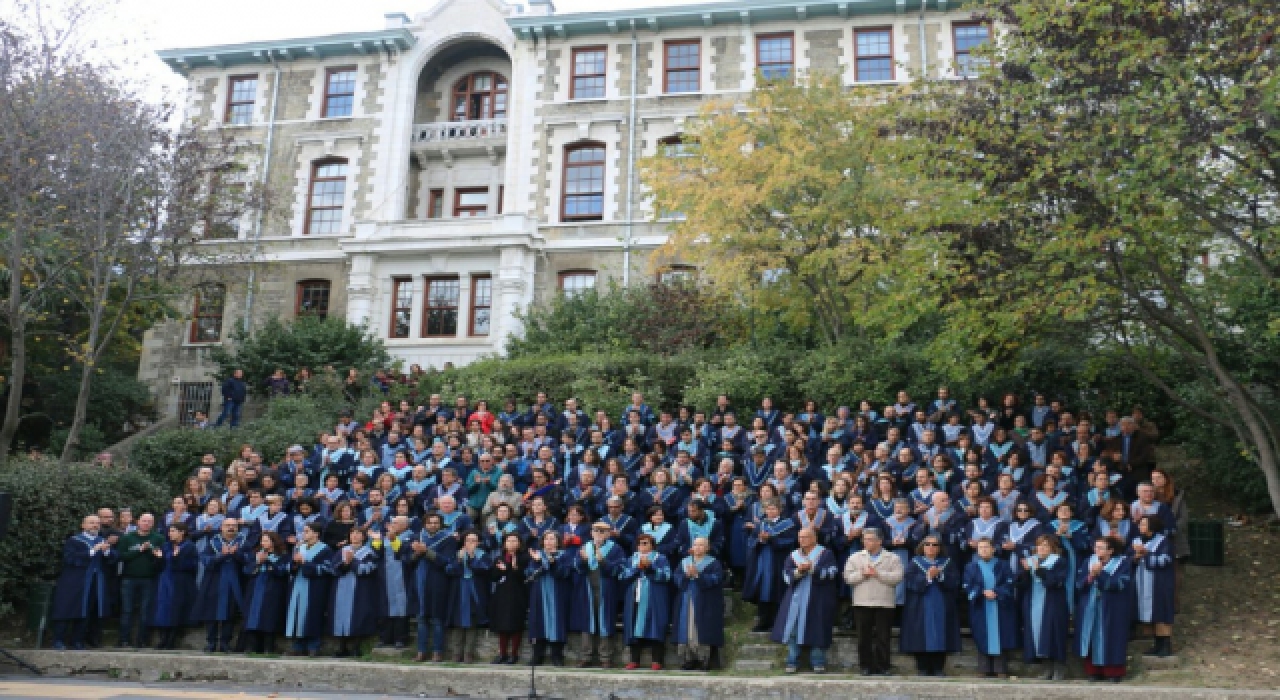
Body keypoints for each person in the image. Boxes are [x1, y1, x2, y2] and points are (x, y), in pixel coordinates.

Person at [771, 527, 840, 674]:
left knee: (817, 628)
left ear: (814, 538)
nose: (802, 540)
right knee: (793, 630)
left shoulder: (825, 554)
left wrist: (813, 569)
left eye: (806, 537)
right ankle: (792, 661)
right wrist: (798, 571)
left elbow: (832, 572)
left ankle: (818, 661)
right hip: (796, 598)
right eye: (800, 537)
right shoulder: (793, 555)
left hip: (818, 597)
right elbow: (785, 574)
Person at [51, 514, 117, 651]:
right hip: (74, 581)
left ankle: (78, 641)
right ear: (83, 525)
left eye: (97, 523)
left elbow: (114, 559)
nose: (95, 525)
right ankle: (58, 640)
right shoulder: (74, 541)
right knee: (66, 609)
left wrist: (107, 552)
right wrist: (93, 551)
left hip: (94, 581)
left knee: (86, 611)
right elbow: (70, 559)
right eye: (91, 523)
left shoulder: (101, 540)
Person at [843, 528, 903, 676]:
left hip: (884, 602)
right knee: (864, 637)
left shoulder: (893, 558)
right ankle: (865, 666)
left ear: (879, 541)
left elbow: (897, 577)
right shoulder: (855, 557)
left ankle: (883, 666)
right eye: (865, 539)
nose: (866, 542)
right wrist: (863, 574)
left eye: (870, 539)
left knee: (883, 637)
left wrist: (878, 574)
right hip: (862, 602)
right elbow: (848, 578)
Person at [900, 534, 961, 677]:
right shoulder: (915, 562)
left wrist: (940, 576)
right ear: (923, 546)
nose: (931, 547)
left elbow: (955, 581)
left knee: (941, 634)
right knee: (920, 635)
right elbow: (909, 582)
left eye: (935, 545)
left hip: (942, 604)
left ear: (939, 548)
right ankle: (922, 668)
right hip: (920, 605)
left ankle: (938, 668)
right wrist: (927, 577)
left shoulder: (947, 562)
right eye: (928, 544)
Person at [1077, 535, 1134, 682]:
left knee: (1112, 637)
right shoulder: (1089, 561)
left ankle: (1113, 672)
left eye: (1101, 548)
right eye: (1096, 547)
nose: (1097, 550)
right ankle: (1093, 671)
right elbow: (1079, 583)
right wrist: (1090, 577)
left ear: (1111, 550)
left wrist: (1100, 574)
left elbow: (1121, 584)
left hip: (1113, 607)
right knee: (1090, 635)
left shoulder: (1122, 563)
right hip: (1091, 606)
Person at [571, 522, 626, 668]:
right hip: (587, 589)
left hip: (607, 590)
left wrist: (603, 562)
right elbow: (576, 567)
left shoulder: (615, 549)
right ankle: (585, 656)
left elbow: (620, 568)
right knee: (587, 622)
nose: (599, 534)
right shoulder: (585, 547)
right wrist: (583, 561)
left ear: (608, 534)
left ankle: (605, 657)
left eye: (602, 532)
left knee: (605, 622)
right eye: (596, 531)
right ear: (591, 533)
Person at [963, 538, 1018, 678]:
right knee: (982, 635)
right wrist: (981, 592)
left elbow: (1009, 583)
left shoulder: (1003, 565)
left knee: (1000, 635)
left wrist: (997, 592)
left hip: (1000, 605)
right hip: (981, 605)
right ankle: (983, 668)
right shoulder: (971, 566)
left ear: (993, 549)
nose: (983, 549)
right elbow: (967, 585)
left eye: (986, 547)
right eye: (980, 547)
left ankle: (1001, 669)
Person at [1018, 534, 1071, 680]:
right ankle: (1046, 668)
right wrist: (1025, 572)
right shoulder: (1031, 561)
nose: (1041, 548)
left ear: (1052, 548)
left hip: (1053, 603)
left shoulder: (1059, 562)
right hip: (1034, 602)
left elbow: (1055, 582)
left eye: (1046, 545)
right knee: (1037, 635)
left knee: (1054, 634)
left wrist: (1040, 570)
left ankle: (1059, 668)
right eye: (1039, 545)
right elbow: (1021, 585)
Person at [191, 518, 247, 653]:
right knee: (211, 612)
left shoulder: (243, 541)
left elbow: (249, 559)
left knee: (230, 613)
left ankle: (224, 643)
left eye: (234, 525)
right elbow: (205, 560)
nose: (231, 528)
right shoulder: (213, 541)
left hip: (235, 581)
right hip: (214, 580)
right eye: (228, 525)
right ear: (221, 527)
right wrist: (222, 555)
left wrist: (236, 554)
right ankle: (211, 642)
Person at [742, 499, 798, 632]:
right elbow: (751, 541)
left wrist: (772, 540)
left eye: (773, 509)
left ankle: (778, 622)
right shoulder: (761, 524)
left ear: (780, 510)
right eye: (768, 509)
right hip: (762, 563)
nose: (770, 512)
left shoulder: (788, 524)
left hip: (780, 561)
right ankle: (764, 621)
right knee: (763, 591)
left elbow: (790, 542)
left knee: (778, 590)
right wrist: (760, 540)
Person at [620, 533, 672, 671]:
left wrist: (650, 568)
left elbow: (666, 576)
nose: (642, 546)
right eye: (640, 543)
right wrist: (637, 568)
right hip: (635, 596)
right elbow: (623, 575)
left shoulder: (660, 558)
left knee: (656, 626)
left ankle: (656, 660)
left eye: (646, 543)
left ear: (652, 545)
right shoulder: (632, 559)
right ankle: (634, 660)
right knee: (634, 626)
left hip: (654, 598)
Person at [673, 536, 725, 671]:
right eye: (696, 545)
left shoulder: (713, 563)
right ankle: (687, 660)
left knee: (700, 628)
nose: (698, 547)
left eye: (701, 545)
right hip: (686, 599)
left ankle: (704, 660)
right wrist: (686, 576)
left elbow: (717, 579)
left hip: (704, 601)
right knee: (686, 628)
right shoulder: (684, 562)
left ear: (707, 548)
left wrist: (698, 575)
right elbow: (676, 579)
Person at [412, 513, 457, 662]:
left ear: (441, 524)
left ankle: (437, 652)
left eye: (436, 522)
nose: (433, 525)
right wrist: (416, 553)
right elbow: (407, 560)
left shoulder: (448, 539)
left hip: (438, 582)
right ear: (424, 524)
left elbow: (446, 561)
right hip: (420, 581)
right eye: (430, 522)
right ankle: (421, 651)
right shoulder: (417, 538)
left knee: (437, 619)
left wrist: (427, 552)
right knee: (421, 618)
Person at [284, 522, 334, 657]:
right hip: (298, 584)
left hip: (314, 588)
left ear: (316, 534)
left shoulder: (325, 549)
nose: (303, 534)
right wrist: (294, 564)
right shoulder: (300, 548)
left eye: (307, 531)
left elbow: (327, 569)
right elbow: (290, 567)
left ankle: (313, 645)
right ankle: (298, 645)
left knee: (312, 615)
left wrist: (305, 563)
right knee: (298, 614)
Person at [117, 512, 165, 649]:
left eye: (150, 521)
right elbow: (122, 556)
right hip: (129, 578)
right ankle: (124, 640)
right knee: (127, 610)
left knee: (146, 610)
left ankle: (142, 640)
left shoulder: (158, 538)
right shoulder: (127, 538)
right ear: (138, 522)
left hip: (149, 579)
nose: (146, 523)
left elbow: (161, 558)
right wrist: (140, 549)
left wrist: (156, 555)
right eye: (144, 521)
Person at [330, 526, 380, 657]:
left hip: (360, 590)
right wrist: (345, 564)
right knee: (340, 617)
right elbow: (333, 569)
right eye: (352, 533)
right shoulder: (342, 551)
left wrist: (353, 562)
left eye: (358, 533)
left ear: (363, 537)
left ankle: (356, 648)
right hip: (341, 589)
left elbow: (367, 569)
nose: (355, 536)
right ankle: (342, 647)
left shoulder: (369, 552)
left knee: (358, 617)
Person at [526, 530, 573, 667]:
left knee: (557, 622)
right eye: (546, 539)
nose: (549, 542)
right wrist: (539, 562)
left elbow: (564, 573)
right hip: (539, 593)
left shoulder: (564, 556)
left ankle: (557, 655)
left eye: (552, 539)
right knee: (538, 622)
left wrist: (551, 563)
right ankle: (537, 655)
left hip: (557, 593)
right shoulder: (536, 556)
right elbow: (529, 573)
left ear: (558, 542)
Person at [150, 523, 199, 650]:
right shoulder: (166, 546)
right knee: (162, 610)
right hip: (164, 581)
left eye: (173, 531)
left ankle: (171, 640)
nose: (170, 533)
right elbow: (157, 566)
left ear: (182, 532)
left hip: (180, 582)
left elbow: (192, 566)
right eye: (169, 531)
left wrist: (177, 558)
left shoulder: (189, 547)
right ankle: (163, 639)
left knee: (175, 611)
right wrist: (159, 558)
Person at [1132, 514, 1176, 658]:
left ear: (1152, 526)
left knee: (1161, 611)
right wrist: (1135, 558)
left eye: (1144, 524)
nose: (1140, 527)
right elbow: (1128, 559)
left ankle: (1165, 645)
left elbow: (1166, 560)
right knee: (1150, 613)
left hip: (1160, 583)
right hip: (1143, 582)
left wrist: (1146, 554)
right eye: (1140, 524)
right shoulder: (1137, 541)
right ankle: (1157, 645)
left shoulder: (1163, 541)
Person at [240, 531, 290, 654]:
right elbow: (246, 570)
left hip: (272, 589)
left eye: (266, 540)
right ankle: (251, 647)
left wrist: (268, 561)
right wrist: (257, 562)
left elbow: (282, 571)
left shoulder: (282, 556)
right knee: (253, 616)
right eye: (262, 541)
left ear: (273, 542)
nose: (263, 543)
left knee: (269, 617)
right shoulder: (255, 554)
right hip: (255, 588)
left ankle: (268, 648)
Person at [446, 530, 490, 663]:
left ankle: (468, 653)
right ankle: (456, 653)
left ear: (478, 543)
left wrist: (471, 557)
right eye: (468, 540)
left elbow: (483, 569)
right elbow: (449, 570)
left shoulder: (483, 555)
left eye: (473, 540)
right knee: (458, 622)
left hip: (474, 591)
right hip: (459, 590)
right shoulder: (457, 554)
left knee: (472, 622)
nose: (470, 543)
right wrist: (459, 559)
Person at [372, 516, 414, 649]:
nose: (392, 525)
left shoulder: (411, 537)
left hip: (402, 575)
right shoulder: (385, 536)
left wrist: (394, 539)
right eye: (392, 523)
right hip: (385, 575)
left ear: (405, 525)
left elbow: (403, 552)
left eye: (396, 523)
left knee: (401, 607)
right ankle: (385, 638)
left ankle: (400, 638)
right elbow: (377, 553)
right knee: (385, 606)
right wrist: (377, 540)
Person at [489, 532, 531, 664]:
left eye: (514, 541)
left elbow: (525, 577)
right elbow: (493, 577)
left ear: (519, 543)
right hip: (502, 594)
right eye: (509, 541)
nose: (511, 543)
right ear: (504, 544)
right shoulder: (500, 558)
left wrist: (514, 568)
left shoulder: (524, 557)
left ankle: (514, 654)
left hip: (518, 594)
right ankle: (502, 653)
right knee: (502, 624)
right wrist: (502, 569)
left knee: (515, 624)